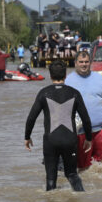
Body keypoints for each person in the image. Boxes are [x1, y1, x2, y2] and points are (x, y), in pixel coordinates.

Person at [24, 60, 92, 191]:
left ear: (50, 76)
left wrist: (27, 137)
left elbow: (31, 118)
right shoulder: (74, 93)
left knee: (50, 178)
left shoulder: (43, 93)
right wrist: (88, 138)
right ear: (65, 75)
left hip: (51, 141)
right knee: (72, 174)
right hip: (70, 141)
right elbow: (86, 119)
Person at [65, 51, 102, 170]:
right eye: (81, 62)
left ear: (90, 63)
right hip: (80, 131)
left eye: (86, 62)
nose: (84, 64)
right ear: (76, 63)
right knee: (83, 168)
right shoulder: (68, 81)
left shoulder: (100, 79)